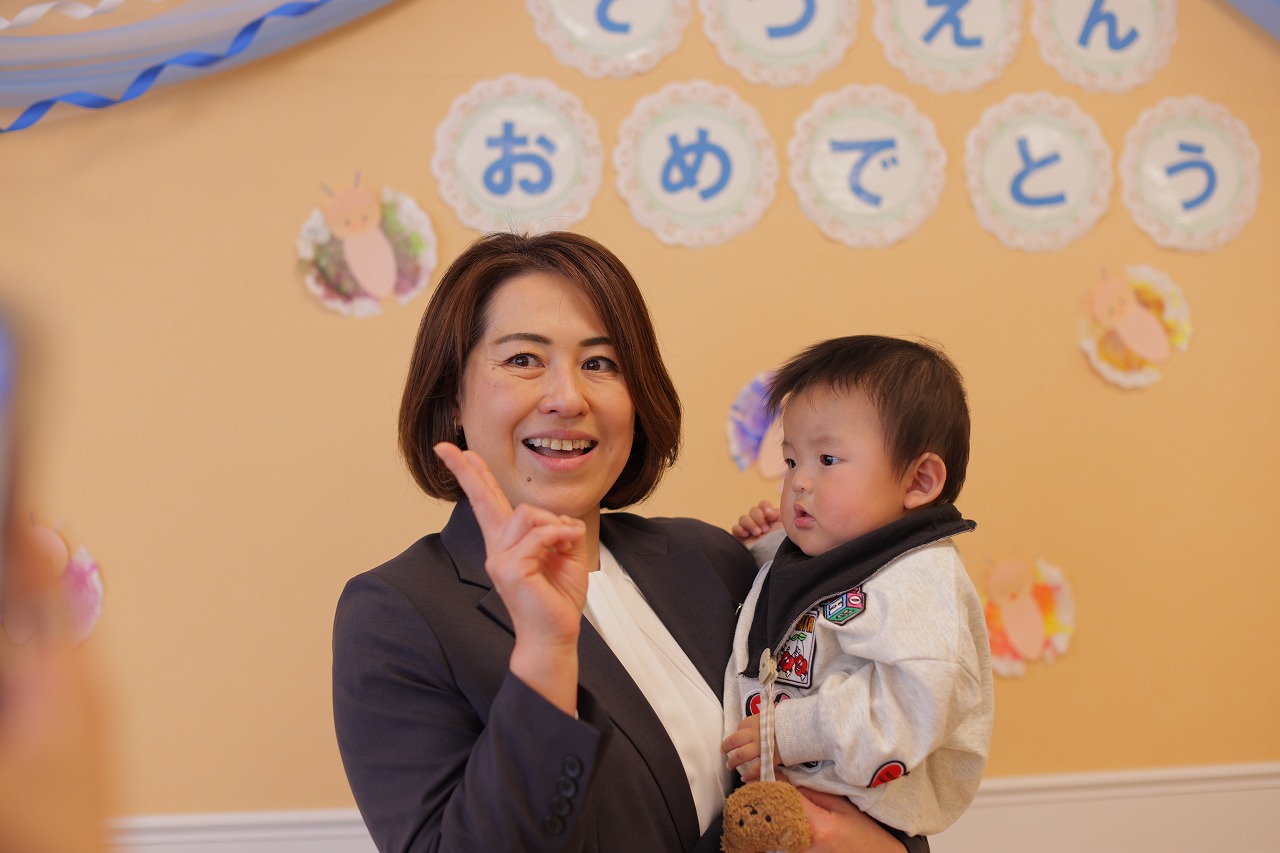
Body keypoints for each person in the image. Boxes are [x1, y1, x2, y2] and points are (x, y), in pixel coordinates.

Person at [331, 232, 929, 853]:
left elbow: (865, 770)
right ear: (453, 396)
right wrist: (545, 656)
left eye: (600, 364)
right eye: (523, 359)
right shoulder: (397, 613)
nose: (568, 398)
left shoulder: (710, 559)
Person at [721, 335, 994, 837]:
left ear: (919, 482)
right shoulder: (845, 549)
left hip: (867, 815)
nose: (799, 482)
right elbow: (809, 604)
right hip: (786, 799)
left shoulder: (918, 576)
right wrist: (763, 549)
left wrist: (789, 732)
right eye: (791, 461)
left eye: (827, 460)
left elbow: (915, 700)